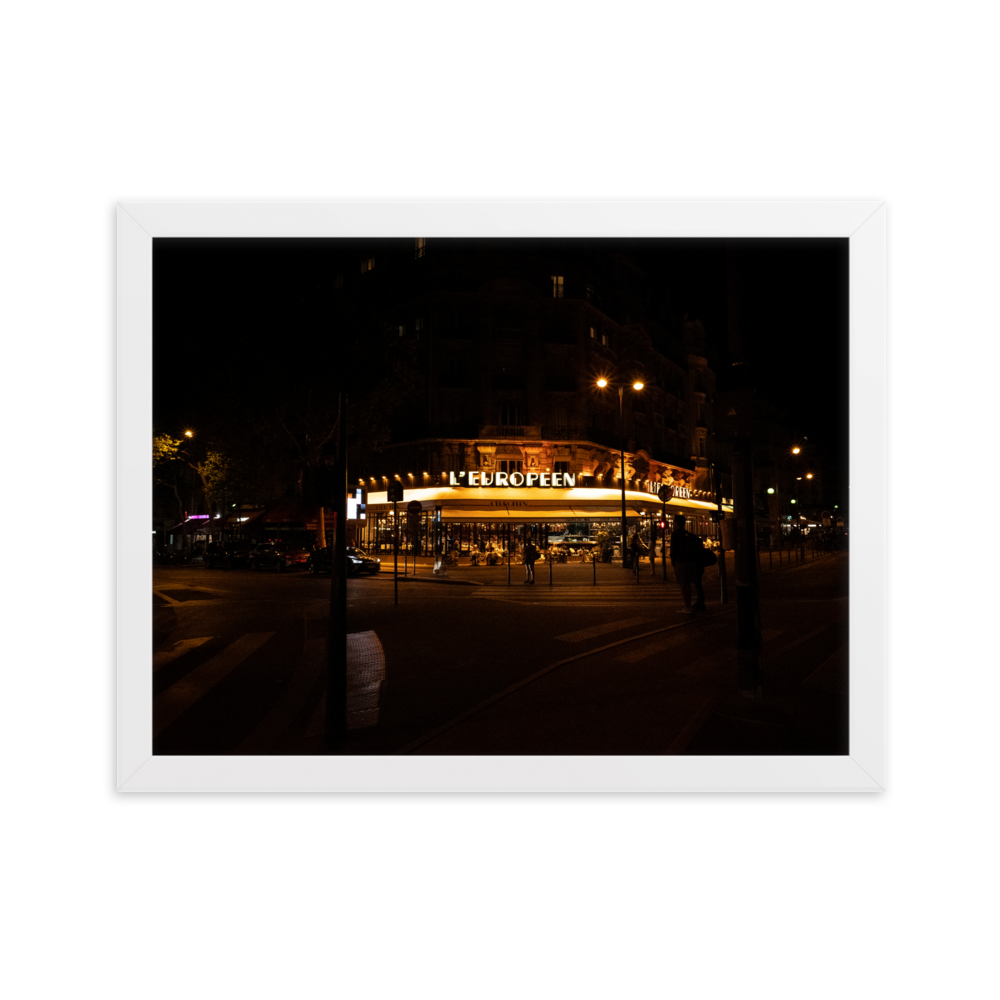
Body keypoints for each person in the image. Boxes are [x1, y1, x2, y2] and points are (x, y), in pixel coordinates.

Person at [669, 514, 706, 613]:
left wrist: (673, 563)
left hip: (680, 562)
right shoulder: (688, 535)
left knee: (683, 585)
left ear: (677, 523)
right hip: (690, 562)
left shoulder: (675, 535)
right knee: (688, 585)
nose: (673, 524)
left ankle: (687, 606)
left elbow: (673, 550)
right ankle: (689, 605)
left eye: (674, 522)